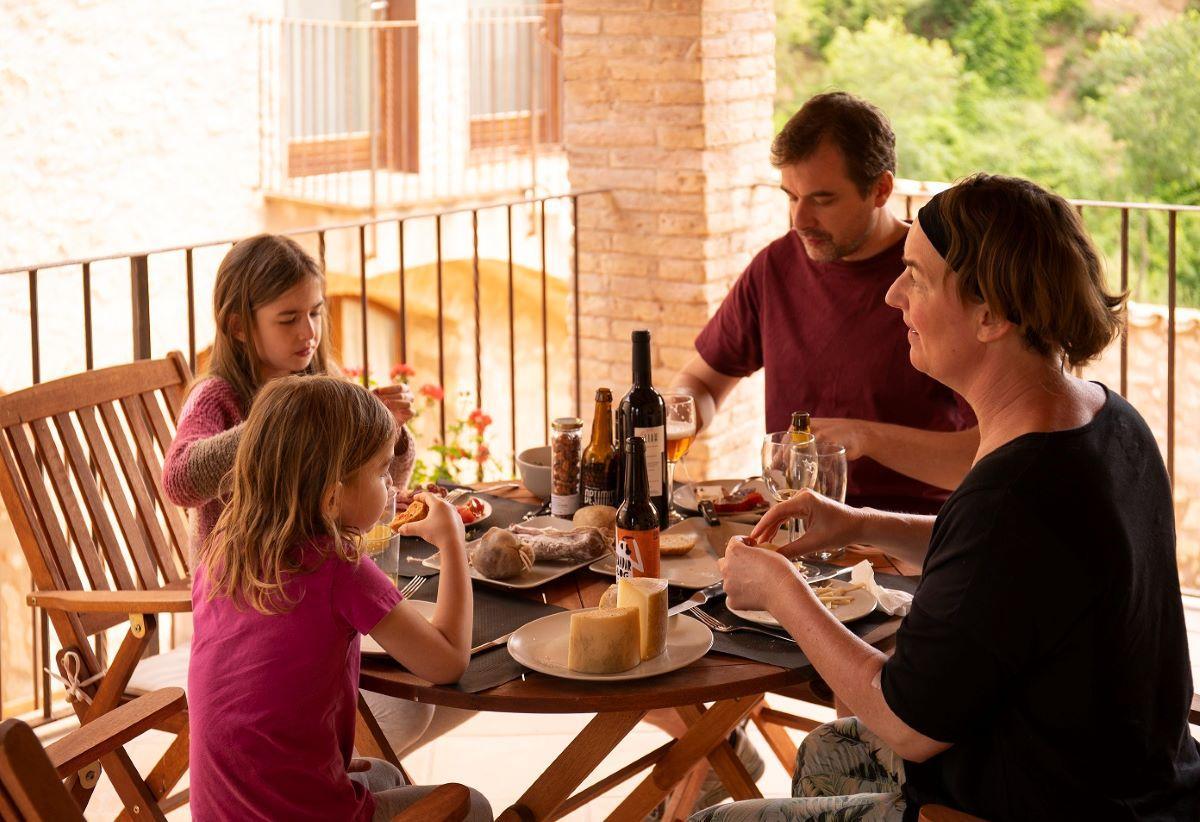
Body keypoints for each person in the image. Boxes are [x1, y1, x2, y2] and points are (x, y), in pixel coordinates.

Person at [695, 174, 1200, 820]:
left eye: (917, 277)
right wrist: (861, 522)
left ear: (990, 315)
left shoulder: (1011, 499)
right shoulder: (1107, 420)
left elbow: (905, 721)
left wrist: (780, 591)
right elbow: (1014, 574)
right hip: (1144, 778)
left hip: (1043, 805)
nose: (892, 294)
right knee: (826, 754)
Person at [162, 234, 468, 759]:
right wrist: (279, 428)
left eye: (316, 313)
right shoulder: (218, 397)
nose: (308, 332)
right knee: (433, 687)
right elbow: (180, 479)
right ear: (238, 324)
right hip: (257, 605)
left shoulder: (318, 381)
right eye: (288, 319)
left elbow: (376, 489)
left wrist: (386, 435)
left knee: (452, 672)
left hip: (327, 586)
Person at [188, 375, 492, 821]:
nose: (391, 485)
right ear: (332, 497)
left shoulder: (221, 552)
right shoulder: (335, 565)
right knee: (473, 807)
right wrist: (451, 542)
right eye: (381, 471)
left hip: (225, 810)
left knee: (384, 773)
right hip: (298, 815)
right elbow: (446, 661)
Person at [670, 92, 976, 514]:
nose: (799, 219)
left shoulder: (935, 277)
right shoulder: (774, 267)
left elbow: (986, 454)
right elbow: (701, 382)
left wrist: (866, 438)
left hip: (908, 542)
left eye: (822, 199)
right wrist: (677, 418)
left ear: (881, 189)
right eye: (791, 196)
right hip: (793, 527)